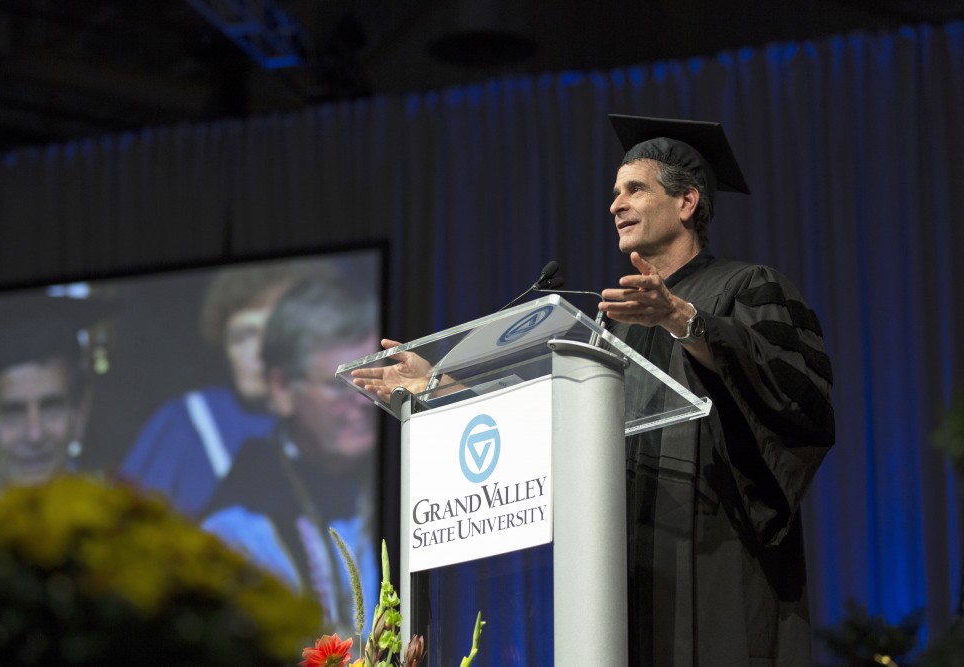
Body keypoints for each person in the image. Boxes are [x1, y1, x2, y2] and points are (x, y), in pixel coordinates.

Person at [353, 115, 835, 666]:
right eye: (614, 192)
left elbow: (798, 398)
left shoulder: (747, 286)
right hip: (621, 562)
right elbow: (554, 418)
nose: (615, 204)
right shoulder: (616, 326)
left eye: (634, 189)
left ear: (687, 202)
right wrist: (441, 384)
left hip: (716, 550)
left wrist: (684, 320)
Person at [203, 275, 380, 639]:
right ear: (282, 388)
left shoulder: (407, 468)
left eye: (373, 376)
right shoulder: (237, 528)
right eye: (339, 385)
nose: (363, 400)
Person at [118, 261, 336, 518]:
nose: (260, 352)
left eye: (274, 331)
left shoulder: (334, 418)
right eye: (243, 337)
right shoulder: (186, 422)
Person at [0, 295, 100, 500]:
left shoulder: (119, 529)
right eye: (13, 413)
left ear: (80, 417)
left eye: (51, 409)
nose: (34, 435)